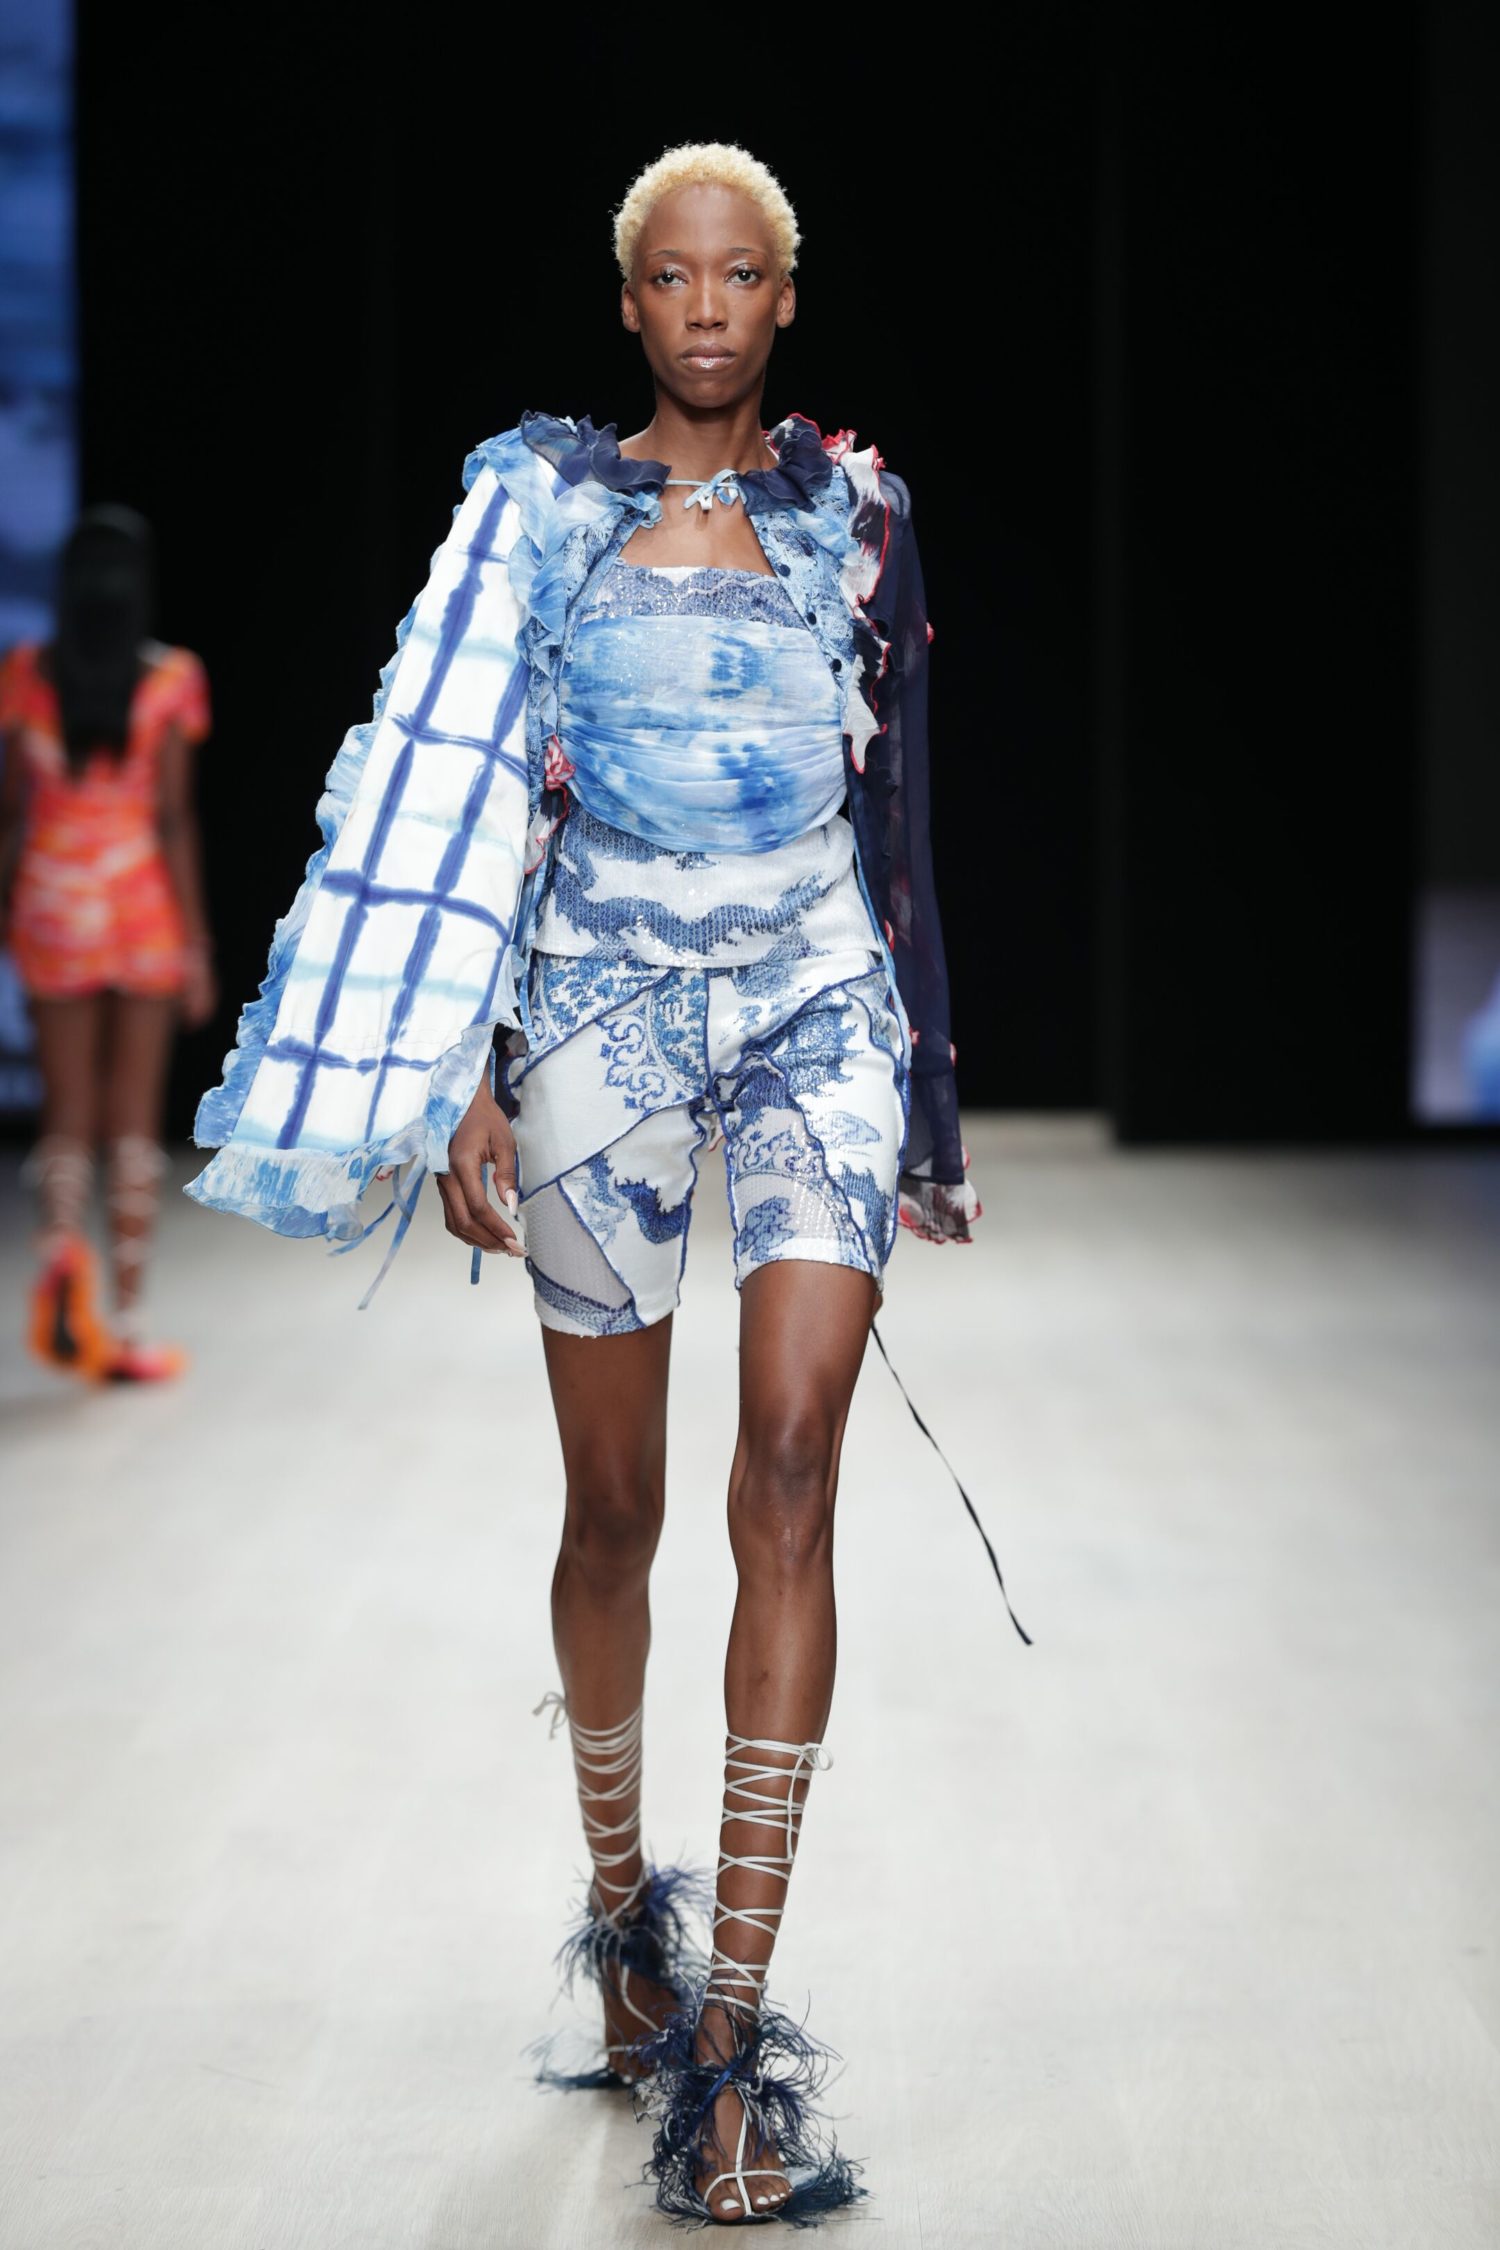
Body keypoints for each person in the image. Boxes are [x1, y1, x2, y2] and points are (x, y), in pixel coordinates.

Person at [186, 142, 988, 2226]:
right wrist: (463, 1064)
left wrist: (927, 1093)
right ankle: (625, 1918)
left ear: (786, 298)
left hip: (814, 1001)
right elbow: (465, 798)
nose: (709, 308)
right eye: (674, 278)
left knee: (792, 1467)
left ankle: (731, 2039)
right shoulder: (536, 512)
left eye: (743, 275)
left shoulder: (861, 512)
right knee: (613, 1508)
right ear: (629, 303)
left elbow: (900, 810)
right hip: (596, 1012)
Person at [0, 506, 214, 1383]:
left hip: (51, 908)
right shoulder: (172, 678)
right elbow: (173, 819)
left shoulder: (26, 673)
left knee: (67, 1113)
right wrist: (196, 944)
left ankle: (61, 1249)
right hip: (140, 909)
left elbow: (13, 814)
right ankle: (125, 1324)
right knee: (132, 1122)